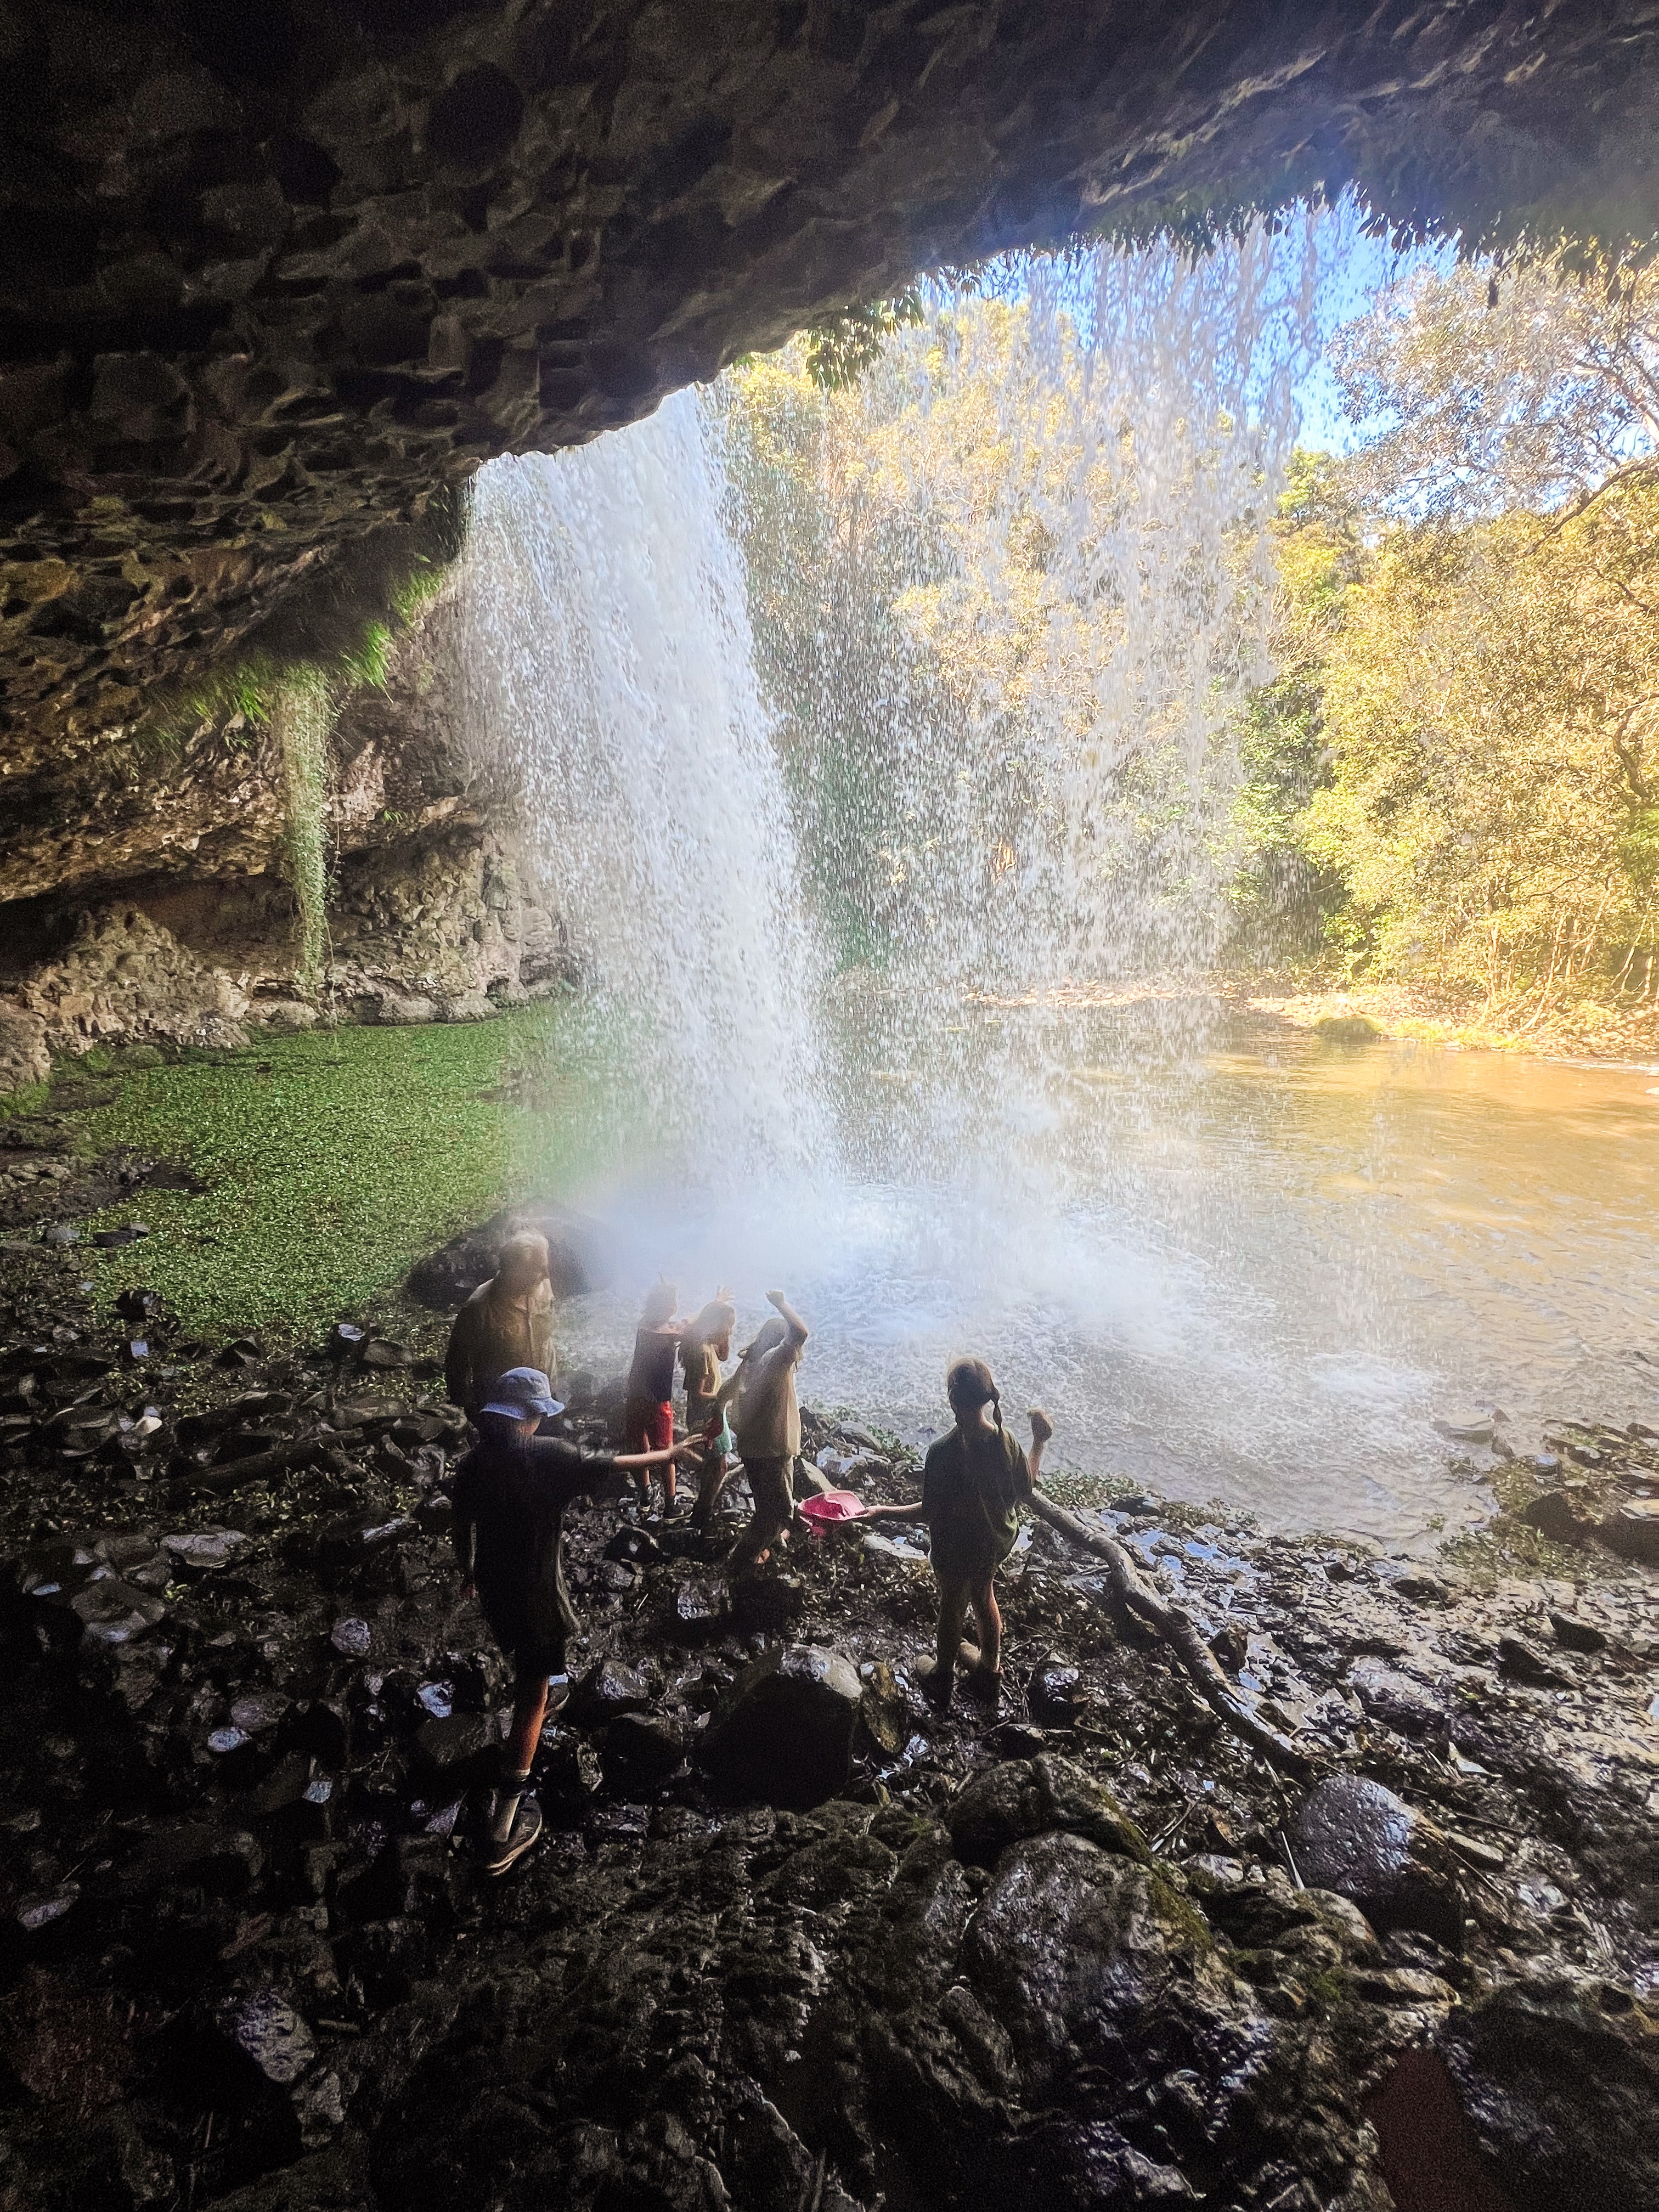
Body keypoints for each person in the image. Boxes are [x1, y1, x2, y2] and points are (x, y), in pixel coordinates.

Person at [450, 1367, 701, 1875]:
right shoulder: (547, 1457)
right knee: (532, 1693)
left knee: (537, 1651)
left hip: (498, 1588)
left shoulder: (475, 1463)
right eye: (540, 1414)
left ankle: (549, 1686)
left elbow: (461, 1523)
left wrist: (467, 1573)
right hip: (536, 1592)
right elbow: (612, 1462)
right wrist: (670, 1456)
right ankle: (503, 1830)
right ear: (531, 1417)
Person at [861, 1358, 1051, 1712]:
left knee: (952, 1605)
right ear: (986, 1399)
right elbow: (1025, 1487)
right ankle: (989, 1672)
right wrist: (1039, 1442)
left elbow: (929, 1512)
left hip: (955, 1548)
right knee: (983, 1595)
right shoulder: (1005, 1440)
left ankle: (942, 1673)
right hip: (992, 1543)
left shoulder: (942, 1452)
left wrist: (882, 1512)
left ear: (951, 1399)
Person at [723, 1289, 810, 1577]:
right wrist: (781, 1303)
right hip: (771, 1449)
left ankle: (764, 1545)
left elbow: (728, 1389)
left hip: (751, 1445)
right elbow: (800, 1333)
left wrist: (714, 1413)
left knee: (765, 1506)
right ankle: (740, 1561)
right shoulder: (776, 1361)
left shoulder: (753, 1360)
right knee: (781, 1513)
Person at [444, 1231, 556, 1423]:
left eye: (545, 1267)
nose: (546, 1275)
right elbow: (457, 1360)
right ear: (513, 1270)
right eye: (538, 1269)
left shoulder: (543, 1287)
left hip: (544, 1394)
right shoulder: (479, 1307)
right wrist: (466, 1405)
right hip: (503, 1405)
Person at [623, 1280, 685, 1510]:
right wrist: (715, 1306)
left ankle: (645, 1497)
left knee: (640, 1446)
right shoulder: (666, 1332)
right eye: (673, 1301)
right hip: (658, 1402)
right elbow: (687, 1326)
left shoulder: (644, 1325)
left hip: (636, 1397)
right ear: (667, 1305)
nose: (676, 1306)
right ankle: (671, 1504)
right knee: (667, 1452)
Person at [679, 1294, 738, 1533]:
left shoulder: (709, 1345)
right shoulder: (701, 1351)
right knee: (717, 1466)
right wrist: (725, 1397)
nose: (730, 1332)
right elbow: (698, 1393)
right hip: (706, 1415)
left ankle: (703, 1509)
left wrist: (725, 1336)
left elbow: (724, 1356)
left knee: (719, 1465)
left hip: (715, 1411)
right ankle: (702, 1514)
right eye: (727, 1328)